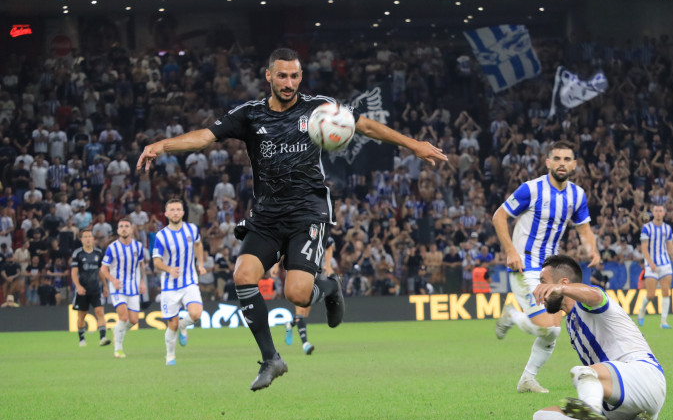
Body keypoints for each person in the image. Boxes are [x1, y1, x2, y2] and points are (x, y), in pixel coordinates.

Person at [137, 47, 447, 391]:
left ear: (301, 77)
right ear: (268, 76)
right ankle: (272, 359)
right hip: (267, 216)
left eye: (294, 76)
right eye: (282, 76)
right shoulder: (250, 114)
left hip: (308, 212)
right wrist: (163, 145)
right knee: (243, 276)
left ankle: (329, 287)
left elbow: (367, 126)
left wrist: (413, 144)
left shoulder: (318, 108)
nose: (288, 83)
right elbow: (204, 137)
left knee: (297, 294)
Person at [493, 140, 600, 394]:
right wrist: (510, 252)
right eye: (557, 159)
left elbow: (584, 228)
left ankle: (527, 380)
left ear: (573, 165)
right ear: (548, 162)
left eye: (566, 159)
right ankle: (512, 315)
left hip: (550, 271)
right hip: (524, 265)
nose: (561, 163)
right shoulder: (530, 189)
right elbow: (499, 216)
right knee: (548, 327)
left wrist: (592, 249)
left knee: (553, 331)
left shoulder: (577, 195)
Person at [530, 254, 666, 420]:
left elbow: (595, 295)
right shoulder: (570, 321)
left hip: (644, 377)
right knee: (540, 418)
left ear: (563, 282)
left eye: (543, 282)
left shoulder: (587, 301)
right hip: (618, 398)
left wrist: (560, 289)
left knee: (583, 372)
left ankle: (591, 417)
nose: (539, 288)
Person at [152, 198, 207, 366]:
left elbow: (198, 245)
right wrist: (169, 269)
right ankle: (170, 355)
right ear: (166, 213)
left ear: (183, 212)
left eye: (178, 209)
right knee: (172, 324)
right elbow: (156, 261)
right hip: (169, 286)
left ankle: (184, 324)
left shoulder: (192, 229)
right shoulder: (161, 236)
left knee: (196, 314)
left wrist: (201, 264)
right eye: (172, 210)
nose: (175, 212)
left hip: (189, 281)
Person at [100, 217, 146, 359]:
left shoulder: (138, 247)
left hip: (133, 288)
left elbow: (141, 265)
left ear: (131, 229)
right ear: (118, 230)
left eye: (127, 226)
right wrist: (113, 281)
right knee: (124, 317)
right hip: (118, 288)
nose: (124, 228)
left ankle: (117, 330)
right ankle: (118, 349)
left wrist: (142, 281)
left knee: (133, 320)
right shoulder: (112, 247)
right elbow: (103, 269)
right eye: (121, 226)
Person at [284, 233, 335, 355]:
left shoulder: (318, 233)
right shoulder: (297, 233)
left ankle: (290, 324)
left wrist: (327, 265)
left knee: (305, 311)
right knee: (301, 311)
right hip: (297, 274)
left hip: (313, 275)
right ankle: (305, 344)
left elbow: (329, 245)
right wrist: (276, 266)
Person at [636, 204, 673, 329]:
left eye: (661, 211)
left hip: (665, 263)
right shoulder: (647, 228)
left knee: (666, 292)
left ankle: (663, 322)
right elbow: (644, 248)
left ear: (664, 213)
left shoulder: (667, 228)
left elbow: (671, 248)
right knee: (651, 294)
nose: (658, 213)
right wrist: (650, 263)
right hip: (651, 265)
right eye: (656, 211)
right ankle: (642, 310)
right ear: (653, 213)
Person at [71, 228, 110, 347]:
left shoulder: (98, 253)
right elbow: (73, 273)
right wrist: (78, 287)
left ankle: (103, 337)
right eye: (85, 237)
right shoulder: (77, 254)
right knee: (82, 315)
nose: (88, 239)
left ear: (93, 239)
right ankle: (81, 339)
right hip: (82, 290)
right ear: (82, 240)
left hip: (95, 289)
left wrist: (105, 286)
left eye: (89, 237)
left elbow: (100, 271)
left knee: (100, 312)